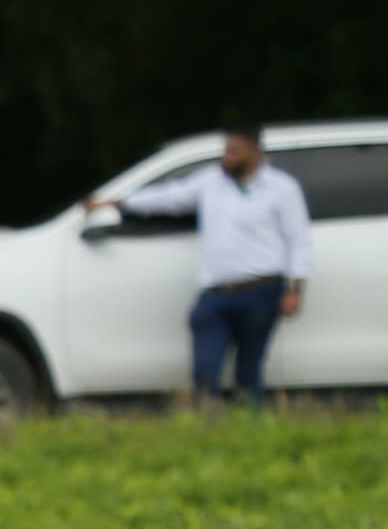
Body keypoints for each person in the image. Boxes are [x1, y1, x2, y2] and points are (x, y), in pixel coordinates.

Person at [91, 121, 312, 409]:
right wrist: (117, 204)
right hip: (216, 293)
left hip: (262, 290)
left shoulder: (282, 188)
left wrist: (295, 288)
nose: (228, 157)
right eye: (226, 150)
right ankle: (209, 422)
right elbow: (168, 198)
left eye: (235, 151)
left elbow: (299, 240)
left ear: (255, 151)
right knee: (205, 369)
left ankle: (250, 428)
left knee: (249, 368)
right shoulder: (210, 182)